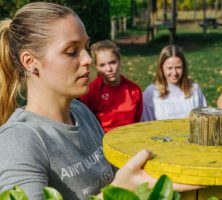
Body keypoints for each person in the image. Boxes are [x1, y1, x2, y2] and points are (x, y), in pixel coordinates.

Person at [0, 2, 200, 199]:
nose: (88, 59)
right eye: (71, 51)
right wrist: (115, 193)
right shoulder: (19, 141)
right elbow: (118, 185)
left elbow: (117, 175)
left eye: (86, 47)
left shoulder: (81, 112)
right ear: (30, 62)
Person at [79, 40, 143, 133]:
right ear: (96, 66)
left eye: (112, 62)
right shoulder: (90, 92)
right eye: (102, 65)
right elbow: (87, 125)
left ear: (119, 61)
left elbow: (138, 122)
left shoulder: (134, 90)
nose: (109, 69)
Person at [142, 45, 207, 121]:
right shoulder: (151, 92)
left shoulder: (194, 89)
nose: (174, 73)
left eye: (178, 67)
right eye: (169, 68)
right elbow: (146, 125)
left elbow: (204, 119)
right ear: (161, 68)